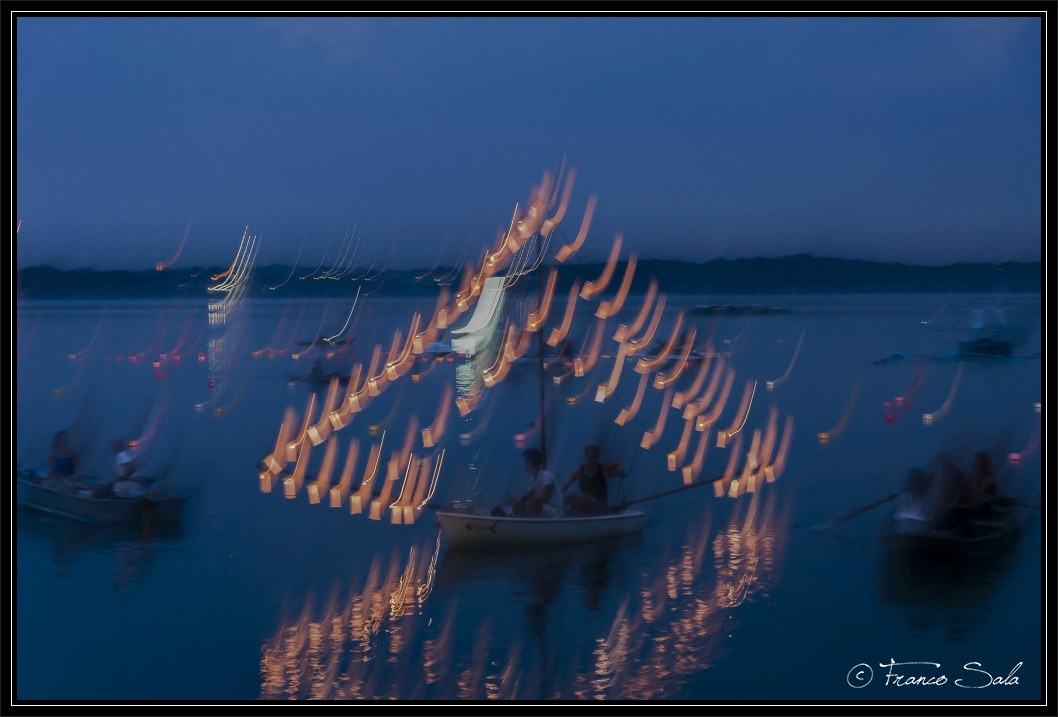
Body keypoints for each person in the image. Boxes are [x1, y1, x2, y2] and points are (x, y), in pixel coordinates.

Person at [562, 445, 623, 515]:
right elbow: (566, 485)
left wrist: (617, 471)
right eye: (589, 458)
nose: (591, 460)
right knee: (565, 496)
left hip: (600, 505)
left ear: (597, 457)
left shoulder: (602, 468)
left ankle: (577, 516)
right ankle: (565, 515)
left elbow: (617, 466)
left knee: (582, 497)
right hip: (584, 503)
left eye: (593, 458)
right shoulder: (579, 470)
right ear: (585, 457)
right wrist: (559, 494)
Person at [508, 448, 564, 518]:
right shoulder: (532, 479)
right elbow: (528, 496)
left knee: (531, 504)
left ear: (530, 462)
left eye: (525, 461)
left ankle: (532, 525)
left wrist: (524, 499)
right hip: (544, 508)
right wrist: (519, 500)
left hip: (555, 511)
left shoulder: (546, 476)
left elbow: (544, 498)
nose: (524, 463)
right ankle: (523, 524)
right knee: (517, 504)